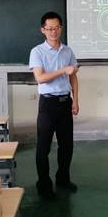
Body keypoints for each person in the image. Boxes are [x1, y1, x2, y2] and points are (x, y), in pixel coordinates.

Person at [29, 11, 79, 198]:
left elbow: (73, 77)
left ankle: (63, 178)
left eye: (57, 28)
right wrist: (63, 70)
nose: (53, 32)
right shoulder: (37, 52)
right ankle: (43, 184)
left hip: (65, 102)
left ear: (61, 28)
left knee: (67, 145)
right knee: (43, 147)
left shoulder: (68, 51)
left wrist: (76, 99)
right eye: (49, 28)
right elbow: (40, 78)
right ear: (43, 30)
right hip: (48, 104)